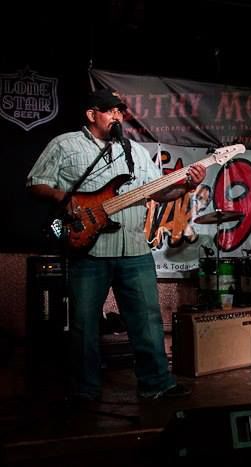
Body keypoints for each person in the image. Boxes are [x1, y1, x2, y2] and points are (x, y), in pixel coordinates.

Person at [26, 88, 206, 401]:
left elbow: (159, 192)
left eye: (120, 111)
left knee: (147, 321)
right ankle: (85, 388)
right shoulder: (65, 144)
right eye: (110, 110)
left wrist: (187, 186)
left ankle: (156, 384)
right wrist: (63, 198)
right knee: (84, 324)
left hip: (135, 248)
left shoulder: (135, 151)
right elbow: (35, 183)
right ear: (91, 114)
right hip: (89, 249)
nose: (117, 116)